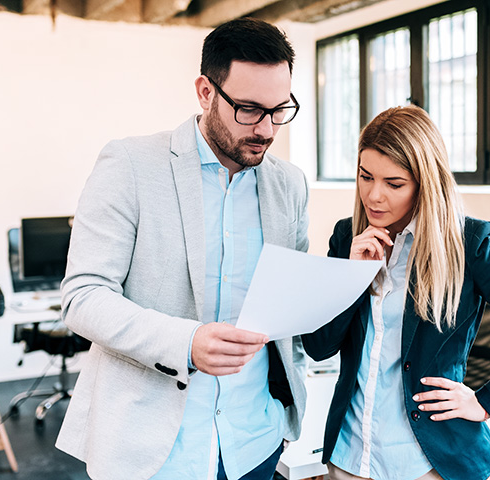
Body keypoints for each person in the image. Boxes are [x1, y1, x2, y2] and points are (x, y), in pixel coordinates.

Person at [56, 18, 309, 480]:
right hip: (153, 451)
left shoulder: (289, 185)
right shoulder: (130, 165)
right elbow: (83, 296)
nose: (267, 130)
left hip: (255, 442)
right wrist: (186, 343)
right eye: (249, 109)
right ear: (206, 92)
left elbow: (287, 306)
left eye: (279, 110)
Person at [302, 105, 490, 480]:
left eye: (394, 184)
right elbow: (318, 346)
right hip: (351, 457)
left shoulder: (469, 246)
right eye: (366, 177)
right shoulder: (347, 236)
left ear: (424, 183)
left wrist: (484, 403)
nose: (374, 196)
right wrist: (351, 276)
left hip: (428, 464)